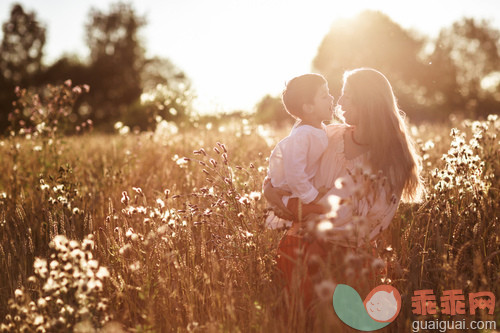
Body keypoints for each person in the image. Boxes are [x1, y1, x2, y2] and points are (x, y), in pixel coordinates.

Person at [264, 68, 424, 322]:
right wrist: (271, 192)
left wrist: (295, 207)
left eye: (347, 96)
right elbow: (289, 171)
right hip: (300, 248)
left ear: (367, 102)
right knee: (294, 320)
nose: (338, 103)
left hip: (347, 258)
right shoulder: (328, 135)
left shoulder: (393, 161)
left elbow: (364, 223)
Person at [265, 73, 334, 229]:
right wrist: (314, 197)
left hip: (300, 196)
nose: (331, 98)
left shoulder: (318, 129)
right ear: (308, 108)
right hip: (292, 199)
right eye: (324, 96)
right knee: (333, 210)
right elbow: (295, 174)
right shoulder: (301, 135)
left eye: (329, 93)